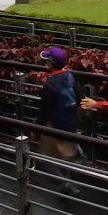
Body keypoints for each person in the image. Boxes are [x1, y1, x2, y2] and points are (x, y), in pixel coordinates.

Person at [33, 46, 81, 194]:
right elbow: (79, 98)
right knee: (67, 155)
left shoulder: (50, 85)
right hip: (71, 121)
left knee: (43, 159)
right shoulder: (71, 77)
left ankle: (65, 185)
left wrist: (36, 129)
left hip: (55, 124)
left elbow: (44, 110)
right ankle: (68, 182)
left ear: (50, 64)